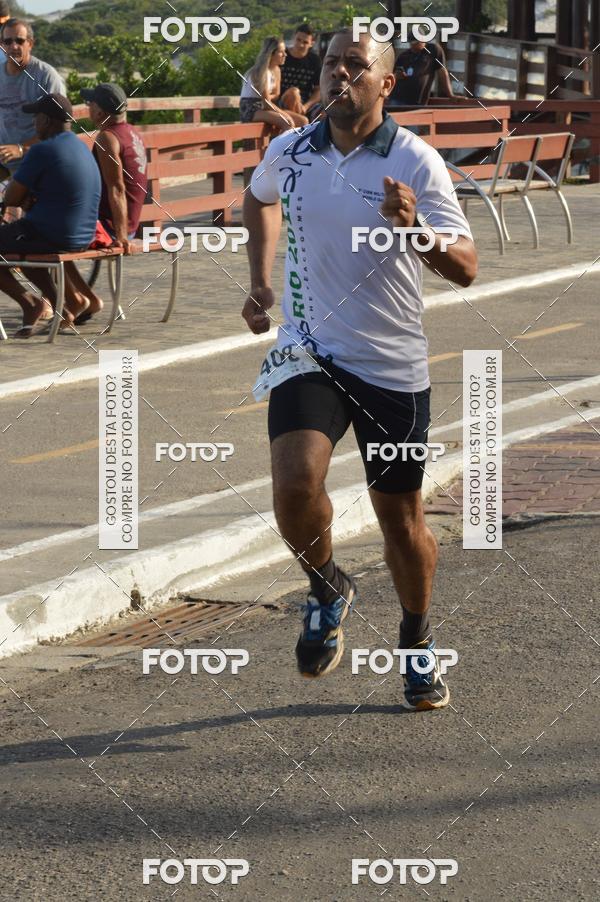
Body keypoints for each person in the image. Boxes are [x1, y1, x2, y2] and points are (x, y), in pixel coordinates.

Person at [242, 28, 477, 709]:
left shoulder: (416, 163)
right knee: (294, 482)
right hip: (309, 351)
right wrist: (261, 280)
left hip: (390, 363)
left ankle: (417, 640)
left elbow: (465, 268)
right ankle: (326, 586)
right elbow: (259, 198)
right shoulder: (289, 151)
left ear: (385, 83)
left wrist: (417, 229)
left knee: (400, 520)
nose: (338, 74)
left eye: (355, 65)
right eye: (330, 64)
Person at [0, 94, 101, 338]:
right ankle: (65, 306)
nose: (34, 123)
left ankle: (31, 304)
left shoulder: (42, 150)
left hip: (54, 234)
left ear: (46, 120)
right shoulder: (80, 145)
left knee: (20, 241)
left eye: (36, 117)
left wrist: (23, 196)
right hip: (83, 234)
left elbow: (12, 198)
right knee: (24, 244)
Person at [61, 82, 148, 325]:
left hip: (111, 228)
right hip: (128, 223)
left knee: (48, 239)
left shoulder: (106, 138)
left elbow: (116, 188)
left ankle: (81, 299)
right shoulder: (131, 132)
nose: (87, 107)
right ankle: (78, 298)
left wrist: (121, 236)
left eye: (90, 104)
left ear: (100, 112)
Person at [0, 19, 65, 173]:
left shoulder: (46, 76)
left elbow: (58, 128)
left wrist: (21, 149)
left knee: (14, 197)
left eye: (20, 41)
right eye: (7, 41)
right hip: (4, 158)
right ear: (1, 45)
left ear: (30, 43)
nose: (13, 46)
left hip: (36, 160)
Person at [240, 36, 307, 132]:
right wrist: (283, 113)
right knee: (288, 121)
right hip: (251, 108)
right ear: (271, 54)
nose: (285, 55)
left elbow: (276, 95)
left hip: (263, 106)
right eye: (281, 52)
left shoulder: (276, 70)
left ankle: (297, 146)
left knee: (303, 121)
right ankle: (280, 147)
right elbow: (267, 103)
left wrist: (267, 97)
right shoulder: (261, 72)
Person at [388, 39, 454, 106]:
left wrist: (450, 95)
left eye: (415, 42)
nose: (413, 45)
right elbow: (392, 76)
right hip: (397, 99)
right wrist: (397, 75)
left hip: (417, 102)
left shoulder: (433, 50)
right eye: (411, 42)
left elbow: (442, 73)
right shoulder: (403, 56)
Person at [278, 24, 322, 120]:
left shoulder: (315, 60)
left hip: (305, 104)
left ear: (312, 43)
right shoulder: (281, 55)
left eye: (305, 42)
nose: (300, 45)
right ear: (294, 37)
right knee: (294, 92)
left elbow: (318, 90)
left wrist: (306, 106)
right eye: (298, 40)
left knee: (327, 111)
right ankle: (299, 126)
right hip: (282, 103)